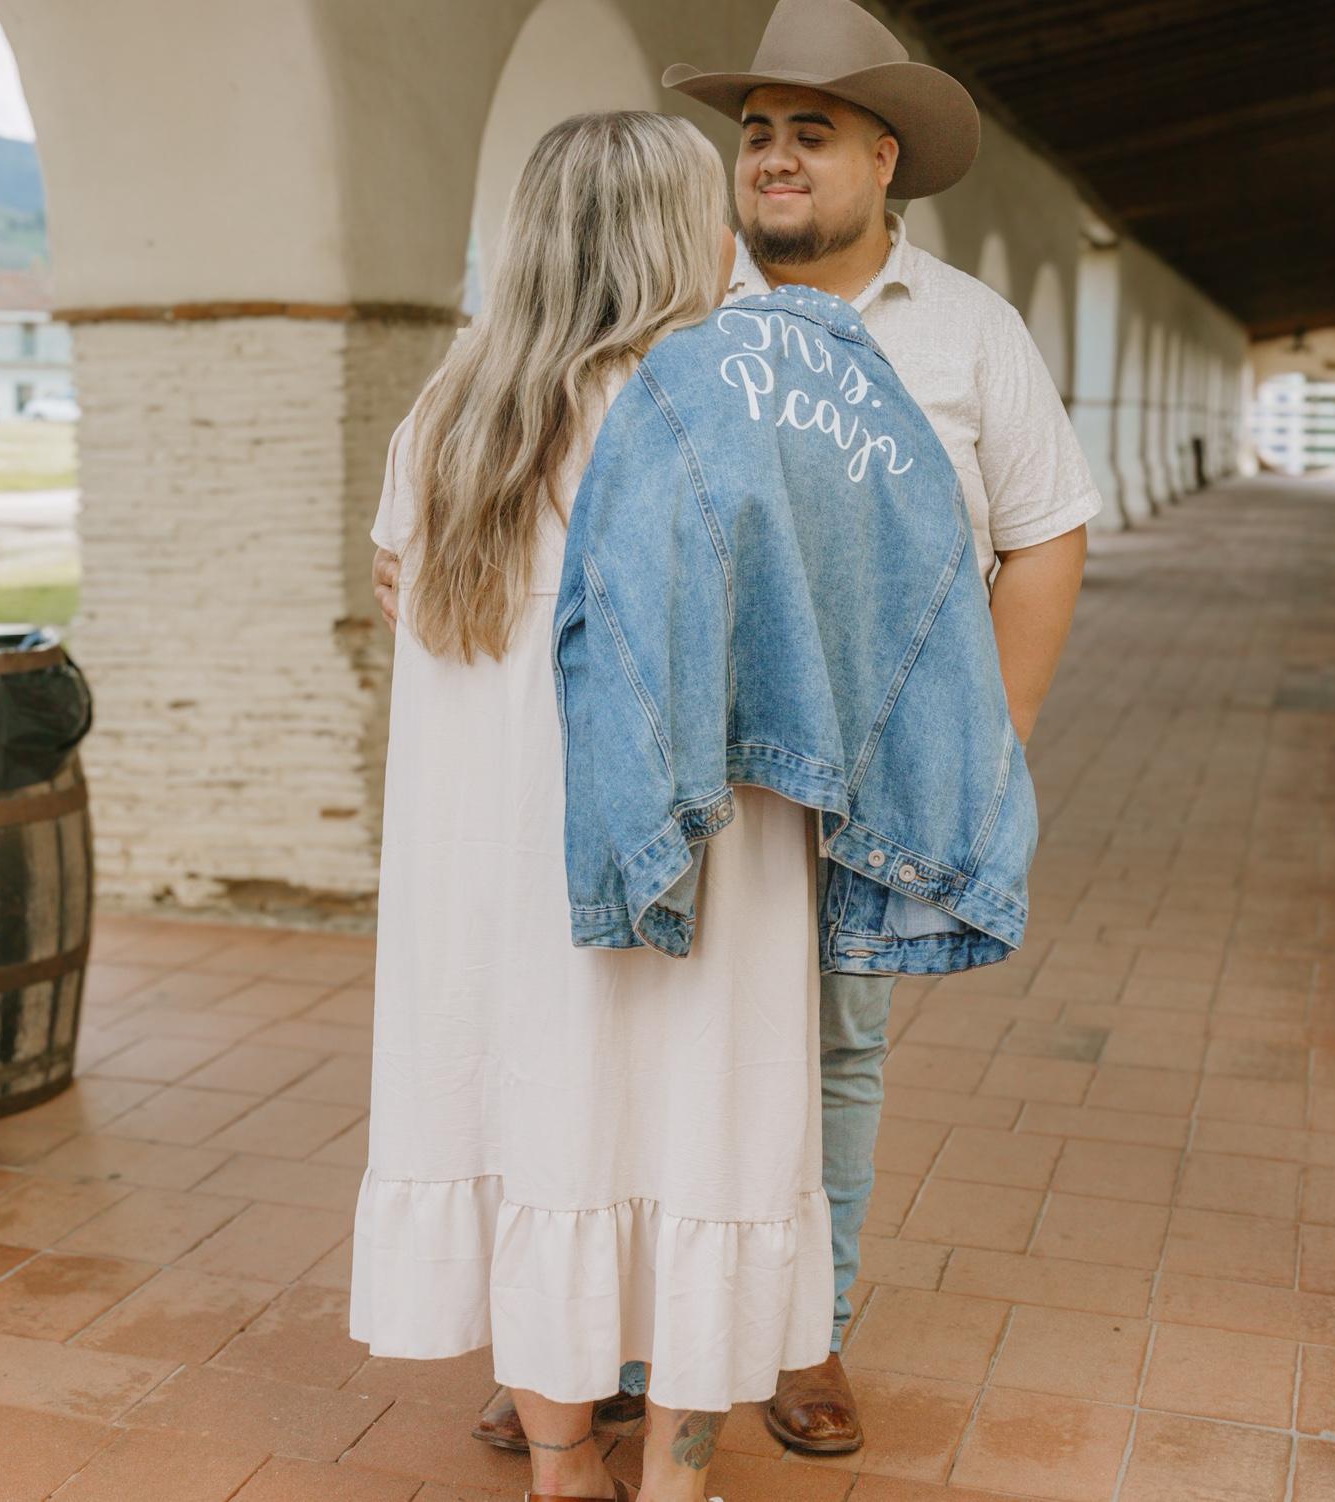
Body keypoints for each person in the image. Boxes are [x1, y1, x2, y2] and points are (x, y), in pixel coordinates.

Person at [373, 0, 1101, 1458]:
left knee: (801, 1064)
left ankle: (786, 1333)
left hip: (829, 777)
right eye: (752, 134)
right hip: (708, 787)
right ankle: (619, 1348)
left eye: (807, 133)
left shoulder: (967, 329)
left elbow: (1042, 531)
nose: (768, 160)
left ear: (884, 158)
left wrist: (980, 740)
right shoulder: (703, 354)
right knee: (685, 1077)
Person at [350, 110, 835, 1502]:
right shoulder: (730, 407)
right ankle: (676, 1479)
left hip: (493, 868)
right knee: (705, 1132)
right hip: (703, 862)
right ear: (678, 237)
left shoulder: (449, 415)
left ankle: (562, 1467)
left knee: (540, 1132)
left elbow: (405, 598)